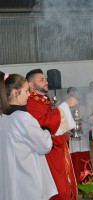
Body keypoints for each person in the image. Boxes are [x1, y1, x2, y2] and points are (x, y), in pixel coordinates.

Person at [0, 72, 57, 200]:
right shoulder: (22, 118)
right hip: (26, 178)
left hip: (9, 176)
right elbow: (45, 145)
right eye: (26, 91)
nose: (29, 94)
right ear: (15, 92)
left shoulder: (3, 117)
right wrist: (47, 130)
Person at [26, 69, 78, 200]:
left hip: (59, 149)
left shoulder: (44, 100)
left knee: (64, 186)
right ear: (31, 85)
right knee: (58, 189)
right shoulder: (31, 102)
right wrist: (65, 106)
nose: (46, 82)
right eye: (41, 80)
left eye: (46, 79)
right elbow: (45, 123)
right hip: (49, 153)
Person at [67, 87, 92, 184]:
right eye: (71, 95)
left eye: (75, 95)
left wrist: (81, 127)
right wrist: (70, 128)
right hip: (71, 140)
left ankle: (87, 183)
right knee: (73, 163)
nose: (73, 97)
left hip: (83, 140)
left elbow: (88, 122)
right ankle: (74, 183)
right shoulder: (65, 109)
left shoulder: (84, 108)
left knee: (84, 162)